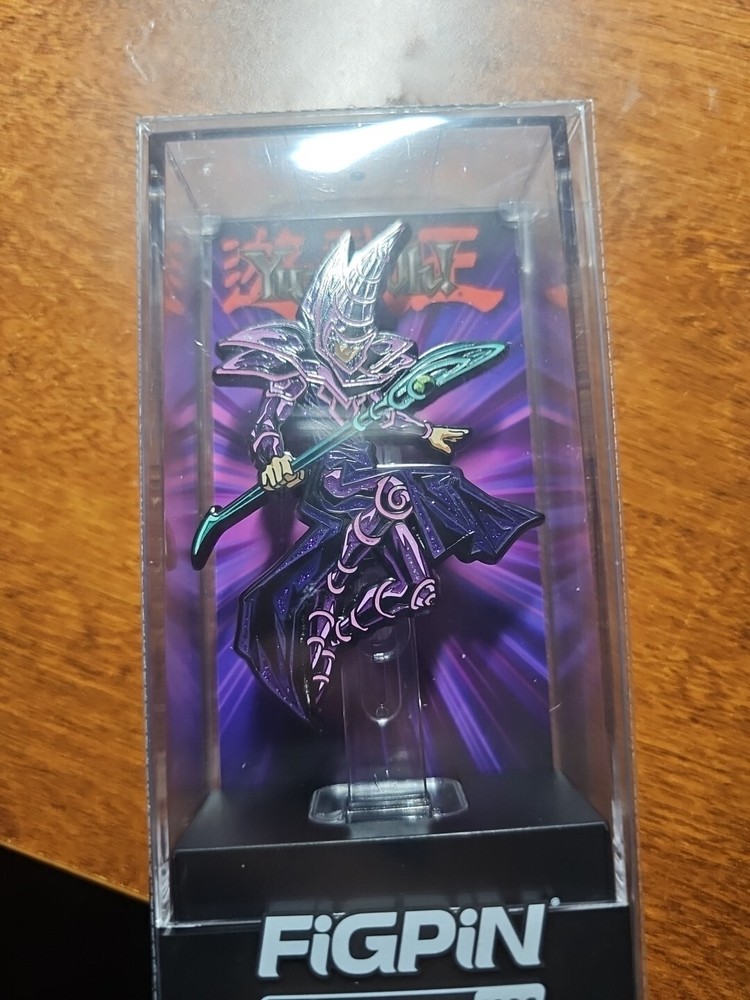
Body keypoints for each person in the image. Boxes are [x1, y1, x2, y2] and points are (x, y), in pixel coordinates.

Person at [213, 222, 542, 719]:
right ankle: (335, 594)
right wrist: (274, 457)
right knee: (396, 489)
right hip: (330, 481)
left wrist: (426, 433)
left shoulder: (368, 373)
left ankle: (339, 620)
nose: (352, 349)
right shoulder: (298, 373)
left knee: (420, 584)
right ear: (326, 329)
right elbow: (267, 424)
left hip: (370, 483)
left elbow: (383, 416)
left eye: (358, 337)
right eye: (345, 337)